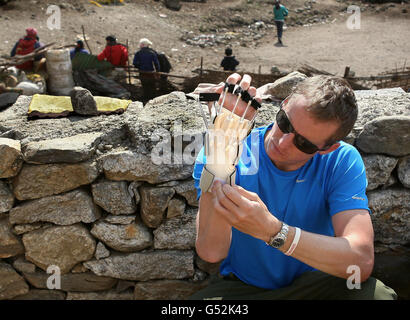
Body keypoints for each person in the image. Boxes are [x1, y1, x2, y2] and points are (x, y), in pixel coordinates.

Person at [189, 73, 397, 300]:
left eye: (303, 143)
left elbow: (361, 261)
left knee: (378, 296)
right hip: (246, 287)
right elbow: (211, 251)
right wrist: (221, 159)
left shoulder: (341, 160)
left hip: (317, 285)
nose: (283, 142)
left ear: (328, 148)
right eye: (284, 123)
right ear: (284, 104)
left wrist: (274, 232)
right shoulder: (223, 150)